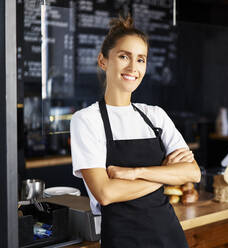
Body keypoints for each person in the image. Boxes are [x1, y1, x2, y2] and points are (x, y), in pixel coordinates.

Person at [70, 15, 201, 248]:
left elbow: (192, 173)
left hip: (169, 237)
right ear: (103, 61)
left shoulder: (155, 115)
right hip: (123, 240)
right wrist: (165, 173)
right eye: (124, 56)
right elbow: (106, 193)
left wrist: (134, 173)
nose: (133, 67)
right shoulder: (86, 120)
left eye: (141, 59)